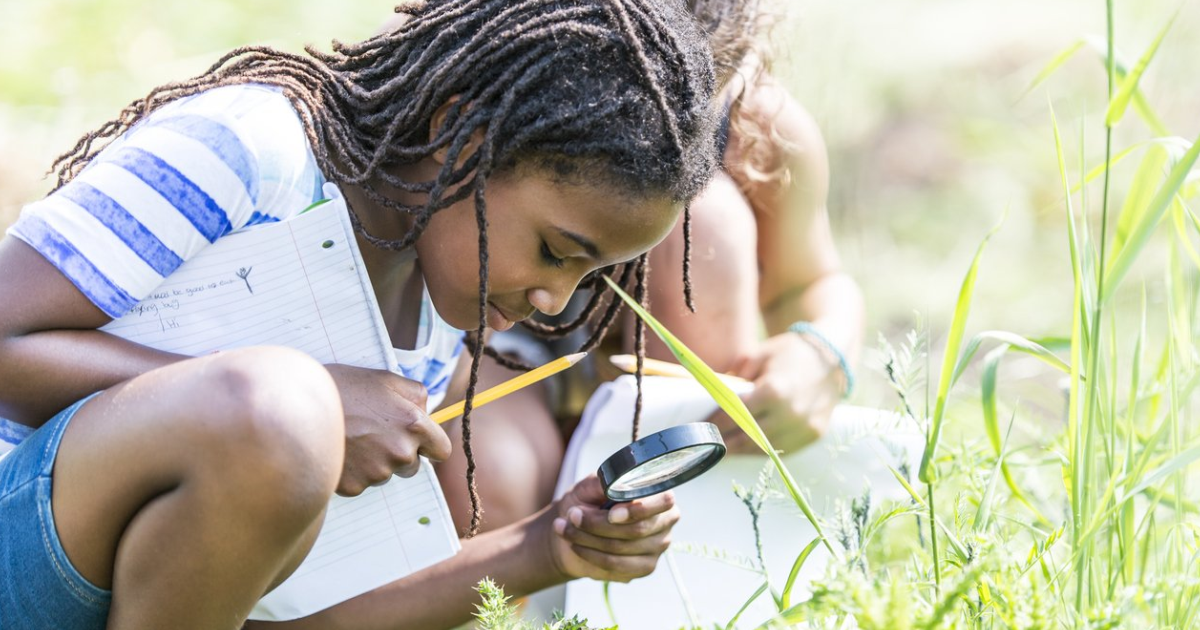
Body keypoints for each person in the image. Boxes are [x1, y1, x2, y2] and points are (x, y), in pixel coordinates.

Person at [0, 1, 721, 629]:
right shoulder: (254, 149)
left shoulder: (435, 321)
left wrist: (546, 548)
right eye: (554, 250)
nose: (553, 302)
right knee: (280, 410)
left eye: (588, 276)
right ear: (462, 134)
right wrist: (311, 402)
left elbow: (286, 618)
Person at [435, 0, 865, 535]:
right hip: (497, 340)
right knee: (489, 477)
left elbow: (813, 282)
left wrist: (820, 355)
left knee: (705, 226)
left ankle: (681, 537)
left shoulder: (761, 128)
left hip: (658, 363)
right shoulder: (478, 52)